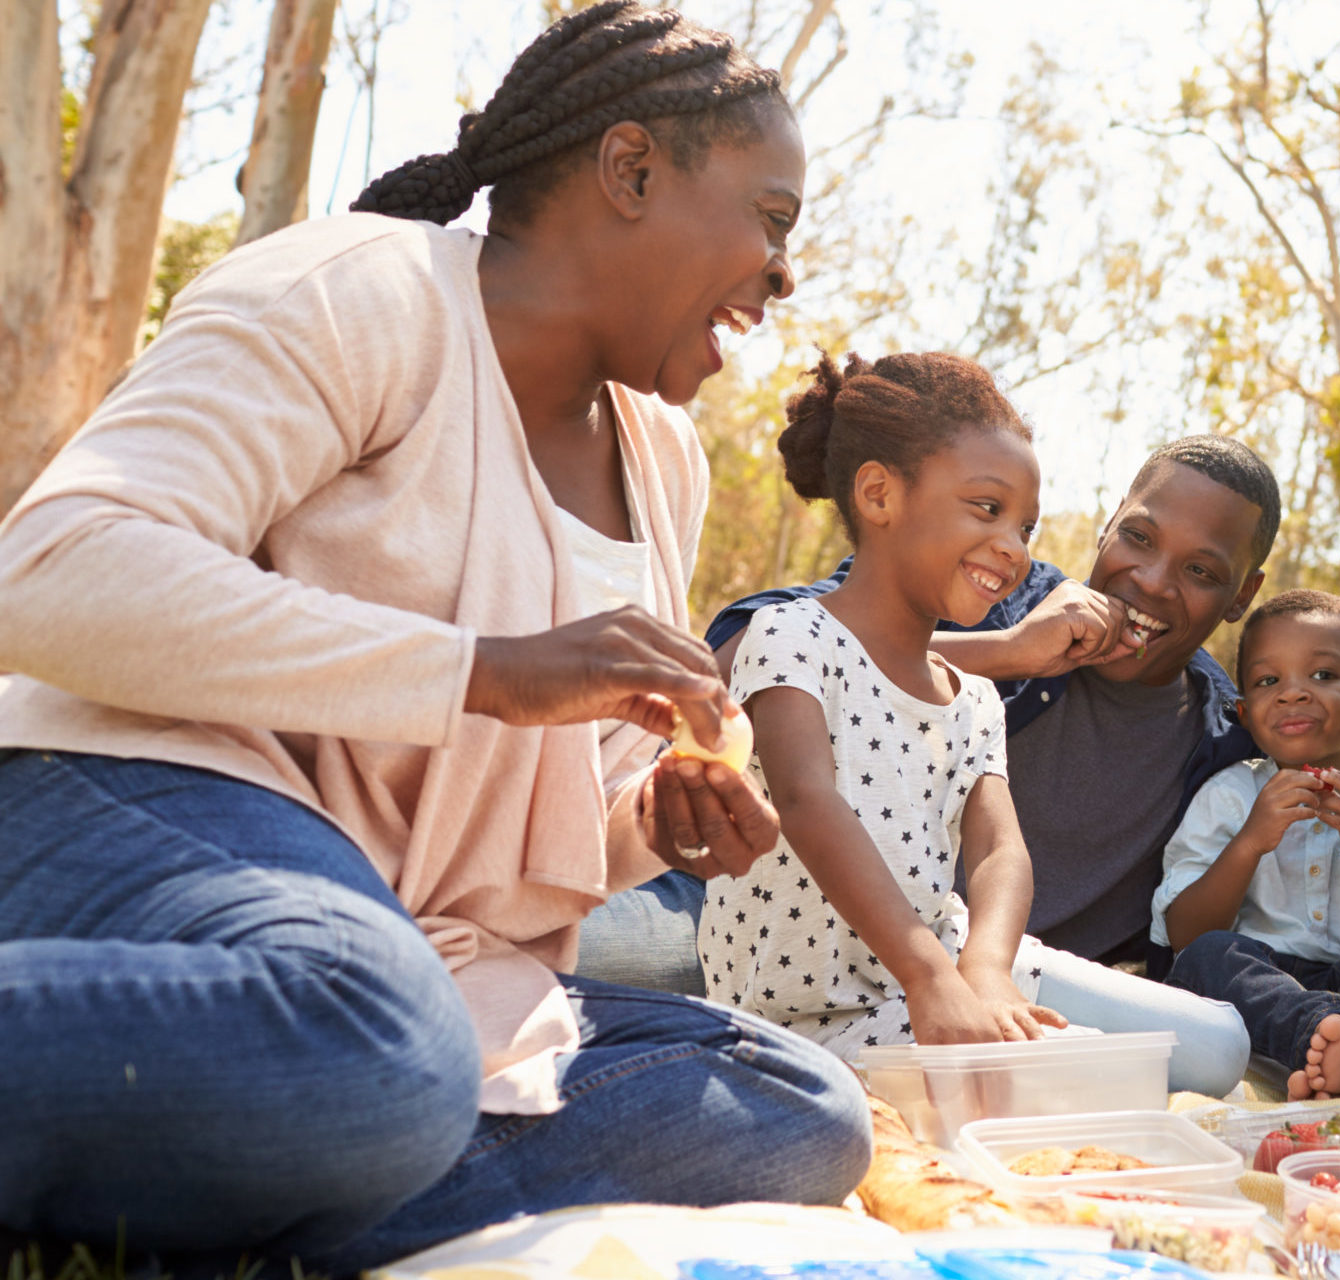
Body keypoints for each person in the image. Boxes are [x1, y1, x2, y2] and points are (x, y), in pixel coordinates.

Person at [0, 5, 866, 1270]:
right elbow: (53, 569)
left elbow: (515, 821)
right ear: (631, 170)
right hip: (135, 798)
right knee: (383, 1039)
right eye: (771, 219)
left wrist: (652, 819)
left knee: (798, 1107)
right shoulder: (367, 289)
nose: (784, 272)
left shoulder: (662, 456)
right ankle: (315, 1128)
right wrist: (492, 672)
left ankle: (239, 1184)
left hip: (386, 943)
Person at [707, 351, 1249, 1096]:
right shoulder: (791, 637)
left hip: (947, 963)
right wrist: (932, 980)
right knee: (1090, 1085)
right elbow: (807, 801)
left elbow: (998, 848)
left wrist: (986, 972)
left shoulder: (973, 698)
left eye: (1026, 526)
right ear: (879, 494)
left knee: (1216, 1052)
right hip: (814, 1011)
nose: (1015, 549)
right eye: (988, 509)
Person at [1156, 589, 1340, 1101]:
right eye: (1269, 681)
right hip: (1254, 985)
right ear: (1245, 714)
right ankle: (1328, 1041)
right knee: (1207, 957)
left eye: (1323, 674)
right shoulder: (1229, 795)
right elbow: (1185, 932)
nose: (1293, 694)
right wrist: (1250, 841)